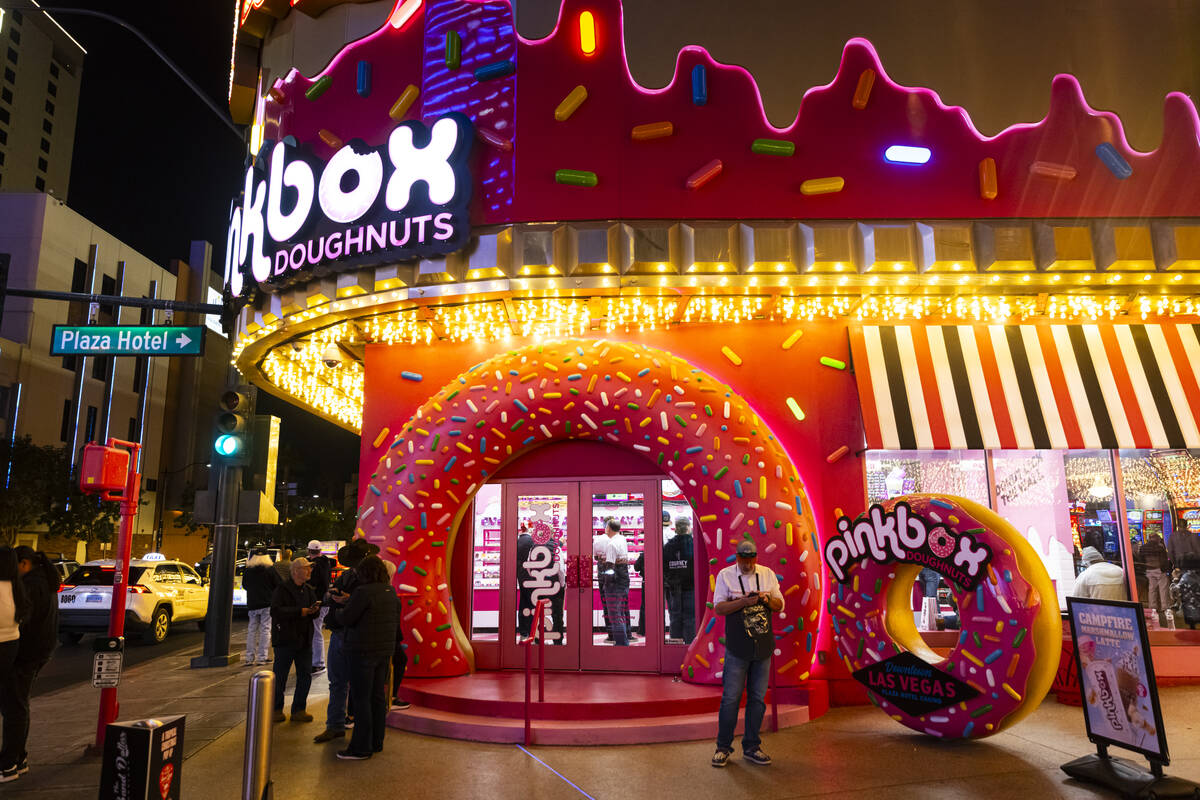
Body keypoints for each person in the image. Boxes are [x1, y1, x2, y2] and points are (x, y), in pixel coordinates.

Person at [711, 540, 783, 768]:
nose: (748, 563)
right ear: (737, 558)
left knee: (757, 700)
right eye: (744, 559)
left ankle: (752, 746)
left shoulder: (768, 574)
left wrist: (765, 599)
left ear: (756, 557)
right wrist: (742, 601)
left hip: (762, 647)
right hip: (737, 647)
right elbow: (718, 608)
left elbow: (780, 604)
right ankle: (723, 747)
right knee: (731, 699)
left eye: (752, 558)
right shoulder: (725, 575)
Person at [330, 555, 399, 761]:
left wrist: (339, 608)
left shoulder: (363, 592)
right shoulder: (390, 592)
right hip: (383, 652)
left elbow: (347, 618)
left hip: (361, 651)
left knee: (361, 699)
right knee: (377, 697)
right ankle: (377, 741)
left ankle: (360, 747)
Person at [313, 538, 377, 743]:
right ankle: (335, 724)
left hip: (356, 634)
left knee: (353, 684)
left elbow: (369, 606)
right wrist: (332, 596)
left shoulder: (370, 580)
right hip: (341, 631)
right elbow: (327, 596)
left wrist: (347, 599)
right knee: (338, 681)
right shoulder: (348, 576)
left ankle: (348, 727)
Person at [270, 557, 319, 723]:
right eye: (307, 568)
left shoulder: (309, 590)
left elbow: (315, 612)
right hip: (285, 639)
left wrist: (314, 610)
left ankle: (299, 709)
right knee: (280, 676)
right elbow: (276, 611)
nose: (310, 571)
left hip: (304, 639)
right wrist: (300, 611)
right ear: (296, 571)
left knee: (305, 675)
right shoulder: (282, 589)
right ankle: (276, 709)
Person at [0, 548, 27, 784]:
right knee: (12, 704)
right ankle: (14, 760)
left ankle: (7, 764)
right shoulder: (16, 587)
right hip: (12, 645)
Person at [242, 548, 279, 666]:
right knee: (265, 630)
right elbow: (278, 584)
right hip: (267, 604)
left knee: (252, 630)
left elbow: (245, 585)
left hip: (253, 603)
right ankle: (262, 657)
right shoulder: (270, 569)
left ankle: (249, 658)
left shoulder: (248, 570)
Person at [663, 517, 696, 643]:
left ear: (676, 529)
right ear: (688, 527)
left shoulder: (668, 546)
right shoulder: (694, 544)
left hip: (673, 589)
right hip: (691, 587)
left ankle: (675, 646)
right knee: (690, 619)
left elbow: (663, 567)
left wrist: (669, 580)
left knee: (675, 618)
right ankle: (689, 647)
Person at [382, 560, 409, 710]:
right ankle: (390, 697)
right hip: (388, 636)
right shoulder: (387, 591)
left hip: (387, 636)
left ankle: (389, 697)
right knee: (398, 661)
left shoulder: (385, 590)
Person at [599, 519, 630, 646]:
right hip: (624, 580)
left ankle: (621, 644)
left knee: (614, 615)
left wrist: (606, 583)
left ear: (608, 529)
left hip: (615, 584)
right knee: (620, 612)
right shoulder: (622, 539)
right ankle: (624, 641)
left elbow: (610, 569)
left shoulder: (611, 545)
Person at [306, 540, 334, 673]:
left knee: (315, 632)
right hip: (323, 602)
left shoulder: (315, 566)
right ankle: (316, 661)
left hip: (318, 602)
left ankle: (318, 663)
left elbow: (319, 583)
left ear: (308, 551)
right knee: (316, 631)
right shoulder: (326, 562)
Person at [1138, 532, 1172, 615]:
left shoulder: (1143, 547)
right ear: (1156, 538)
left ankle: (1153, 607)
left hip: (1149, 570)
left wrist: (1145, 568)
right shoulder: (1159, 547)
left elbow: (1141, 560)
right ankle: (1165, 607)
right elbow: (1164, 560)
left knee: (1152, 589)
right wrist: (1166, 570)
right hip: (1159, 570)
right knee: (1163, 589)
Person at [1172, 553, 1200, 630]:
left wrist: (1175, 579)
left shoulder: (1186, 576)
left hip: (1191, 609)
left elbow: (1176, 590)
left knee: (1192, 626)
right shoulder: (1197, 574)